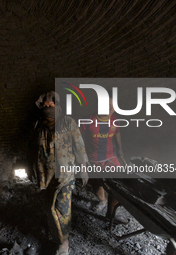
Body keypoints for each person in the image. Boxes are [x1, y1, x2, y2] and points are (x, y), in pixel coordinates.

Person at [28, 91, 88, 255]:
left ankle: (63, 243)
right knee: (49, 208)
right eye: (45, 105)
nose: (48, 107)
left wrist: (83, 169)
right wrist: (31, 168)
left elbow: (79, 146)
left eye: (51, 104)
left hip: (65, 175)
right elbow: (33, 149)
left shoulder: (68, 122)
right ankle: (56, 235)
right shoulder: (38, 124)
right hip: (45, 176)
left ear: (58, 105)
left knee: (62, 209)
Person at [79, 90, 128, 224]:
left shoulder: (114, 119)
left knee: (117, 184)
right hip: (93, 159)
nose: (111, 108)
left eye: (113, 105)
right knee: (97, 182)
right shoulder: (88, 120)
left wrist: (120, 151)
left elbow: (117, 133)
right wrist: (82, 160)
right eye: (108, 105)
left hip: (110, 157)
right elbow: (76, 139)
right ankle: (102, 200)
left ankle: (112, 213)